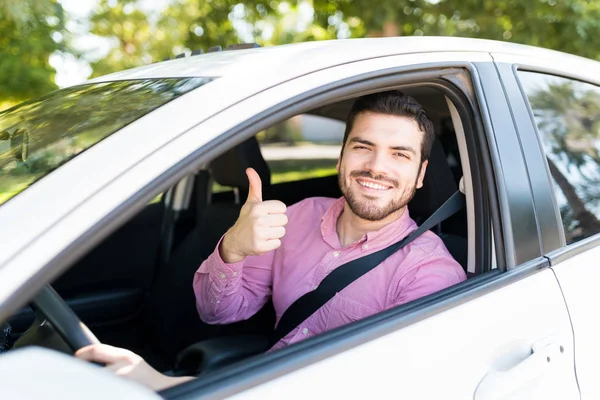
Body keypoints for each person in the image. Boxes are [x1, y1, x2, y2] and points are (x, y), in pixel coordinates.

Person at [75, 90, 467, 390]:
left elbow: (371, 388)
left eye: (399, 155)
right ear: (341, 157)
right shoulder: (296, 217)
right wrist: (233, 249)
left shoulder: (429, 274)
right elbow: (218, 314)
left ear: (420, 174)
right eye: (363, 147)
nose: (376, 167)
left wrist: (175, 388)